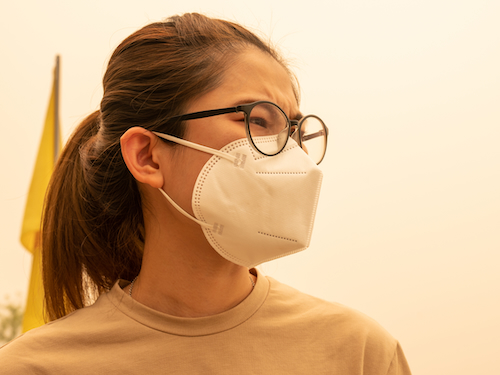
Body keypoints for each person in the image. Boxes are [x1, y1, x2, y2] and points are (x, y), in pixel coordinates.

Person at [0, 13, 411, 374]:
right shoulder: (34, 368)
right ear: (147, 156)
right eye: (258, 120)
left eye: (293, 129)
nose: (291, 155)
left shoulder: (359, 354)